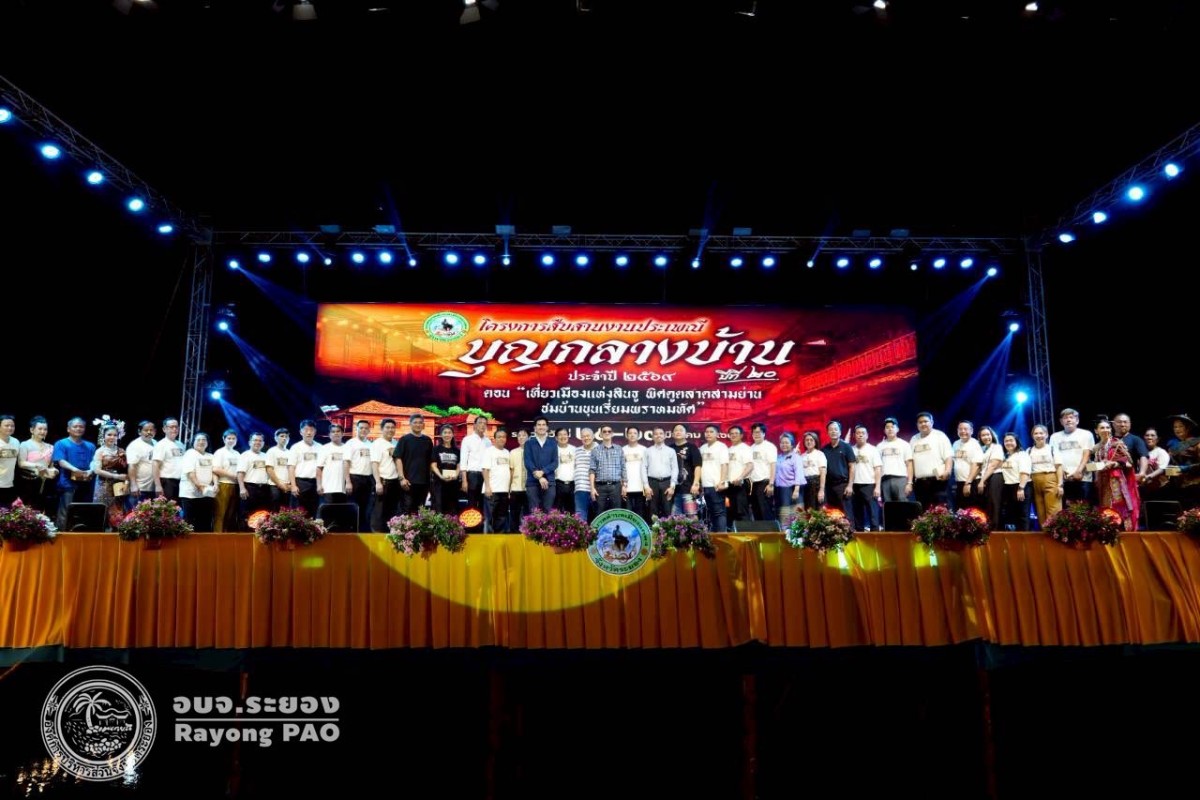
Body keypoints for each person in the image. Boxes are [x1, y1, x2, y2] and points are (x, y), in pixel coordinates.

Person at [1093, 418, 1139, 531]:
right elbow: (1096, 466)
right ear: (1096, 431)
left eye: (1107, 427)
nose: (1105, 430)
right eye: (1102, 428)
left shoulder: (1117, 444)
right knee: (1105, 507)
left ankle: (1126, 533)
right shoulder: (1097, 448)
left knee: (1119, 505)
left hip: (1116, 482)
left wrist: (1115, 463)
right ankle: (1109, 533)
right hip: (1103, 482)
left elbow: (1129, 463)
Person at [53, 417, 97, 532]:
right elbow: (61, 461)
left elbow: (95, 461)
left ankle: (81, 535)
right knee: (66, 510)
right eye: (75, 426)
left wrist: (91, 470)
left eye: (81, 426)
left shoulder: (90, 446)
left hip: (87, 482)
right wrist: (75, 469)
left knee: (83, 511)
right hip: (68, 483)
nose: (78, 429)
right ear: (68, 429)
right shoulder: (61, 443)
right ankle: (62, 534)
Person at [16, 416, 57, 513]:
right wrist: (36, 466)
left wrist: (55, 471)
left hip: (45, 483)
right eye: (40, 429)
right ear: (32, 430)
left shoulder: (51, 447)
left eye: (45, 429)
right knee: (28, 511)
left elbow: (51, 466)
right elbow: (21, 463)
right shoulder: (25, 444)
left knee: (42, 510)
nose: (43, 431)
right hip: (29, 482)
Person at [91, 423, 128, 530]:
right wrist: (116, 476)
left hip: (119, 485)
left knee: (118, 510)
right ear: (103, 436)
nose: (112, 437)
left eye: (115, 435)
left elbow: (127, 469)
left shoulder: (122, 451)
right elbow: (97, 470)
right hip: (103, 484)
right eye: (109, 435)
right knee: (103, 509)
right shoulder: (100, 451)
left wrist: (126, 481)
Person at [1028, 424, 1063, 528]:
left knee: (1053, 510)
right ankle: (1044, 534)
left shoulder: (1052, 449)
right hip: (1034, 481)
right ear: (1032, 435)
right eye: (1036, 433)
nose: (1039, 435)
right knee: (1040, 512)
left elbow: (1059, 467)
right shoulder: (1029, 450)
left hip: (1050, 478)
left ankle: (1055, 533)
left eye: (1041, 433)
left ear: (1046, 435)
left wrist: (1060, 485)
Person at [1164, 414, 1200, 510]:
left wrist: (1185, 468)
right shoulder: (1174, 447)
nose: (1177, 429)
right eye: (1175, 427)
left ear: (1188, 428)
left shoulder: (1197, 443)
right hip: (1179, 488)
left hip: (1195, 487)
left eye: (1180, 426)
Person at [999, 433, 1031, 531]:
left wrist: (1021, 488)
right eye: (1006, 441)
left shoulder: (1022, 454)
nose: (1008, 443)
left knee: (1023, 515)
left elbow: (1025, 472)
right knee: (1013, 516)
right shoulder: (1006, 456)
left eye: (1011, 440)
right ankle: (1015, 538)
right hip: (1008, 487)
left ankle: (1025, 538)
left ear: (1016, 442)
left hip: (1020, 486)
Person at [430, 424, 461, 515]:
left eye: (449, 433)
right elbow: (433, 466)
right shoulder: (436, 449)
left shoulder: (457, 450)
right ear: (441, 435)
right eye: (445, 432)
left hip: (453, 483)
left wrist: (456, 475)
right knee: (439, 508)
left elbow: (459, 466)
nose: (447, 435)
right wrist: (441, 476)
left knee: (452, 509)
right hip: (439, 483)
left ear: (453, 435)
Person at [0, 415, 20, 508]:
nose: (10, 428)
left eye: (12, 426)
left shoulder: (16, 442)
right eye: (6, 425)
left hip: (9, 484)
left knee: (7, 512)